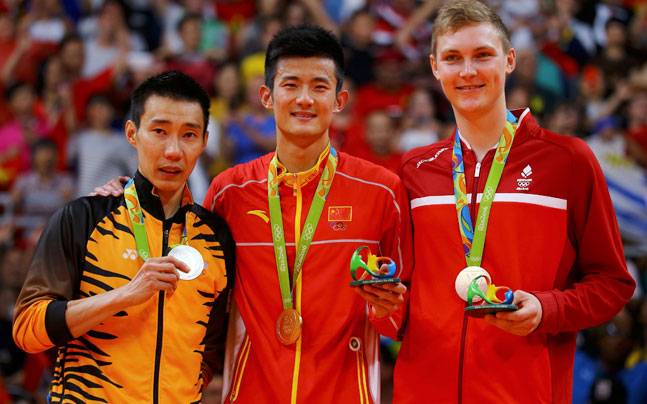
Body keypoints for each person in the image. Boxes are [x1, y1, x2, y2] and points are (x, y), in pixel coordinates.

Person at [95, 25, 412, 403]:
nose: (305, 99)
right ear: (266, 95)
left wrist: (386, 307)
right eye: (291, 84)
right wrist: (130, 195)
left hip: (346, 392)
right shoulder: (229, 191)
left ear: (341, 99)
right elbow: (196, 294)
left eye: (320, 87)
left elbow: (402, 318)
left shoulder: (381, 190)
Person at [390, 1, 637, 403]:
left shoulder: (567, 161)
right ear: (435, 67)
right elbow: (400, 302)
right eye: (453, 58)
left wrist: (546, 309)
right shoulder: (414, 169)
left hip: (524, 390)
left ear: (509, 61)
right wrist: (383, 306)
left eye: (482, 55)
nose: (467, 72)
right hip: (422, 392)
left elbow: (612, 284)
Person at [12, 71, 235, 403]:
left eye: (188, 135)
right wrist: (125, 295)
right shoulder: (83, 217)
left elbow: (211, 348)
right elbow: (28, 329)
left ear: (204, 141)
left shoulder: (215, 238)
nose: (173, 150)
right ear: (133, 133)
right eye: (159, 131)